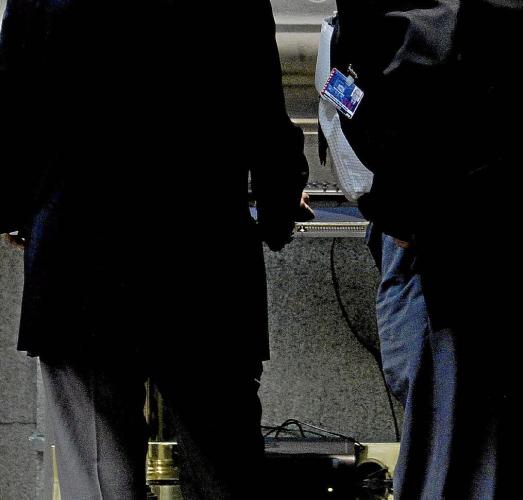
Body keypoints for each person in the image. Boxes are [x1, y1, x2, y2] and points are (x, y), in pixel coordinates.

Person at [0, 0, 308, 498]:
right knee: (223, 466)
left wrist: (17, 211)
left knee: (97, 473)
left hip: (78, 256)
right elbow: (263, 114)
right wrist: (277, 211)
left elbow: (15, 106)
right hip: (201, 259)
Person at [330, 0, 523, 498]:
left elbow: (420, 61)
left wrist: (397, 206)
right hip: (518, 213)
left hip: (461, 223)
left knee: (457, 449)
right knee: (505, 444)